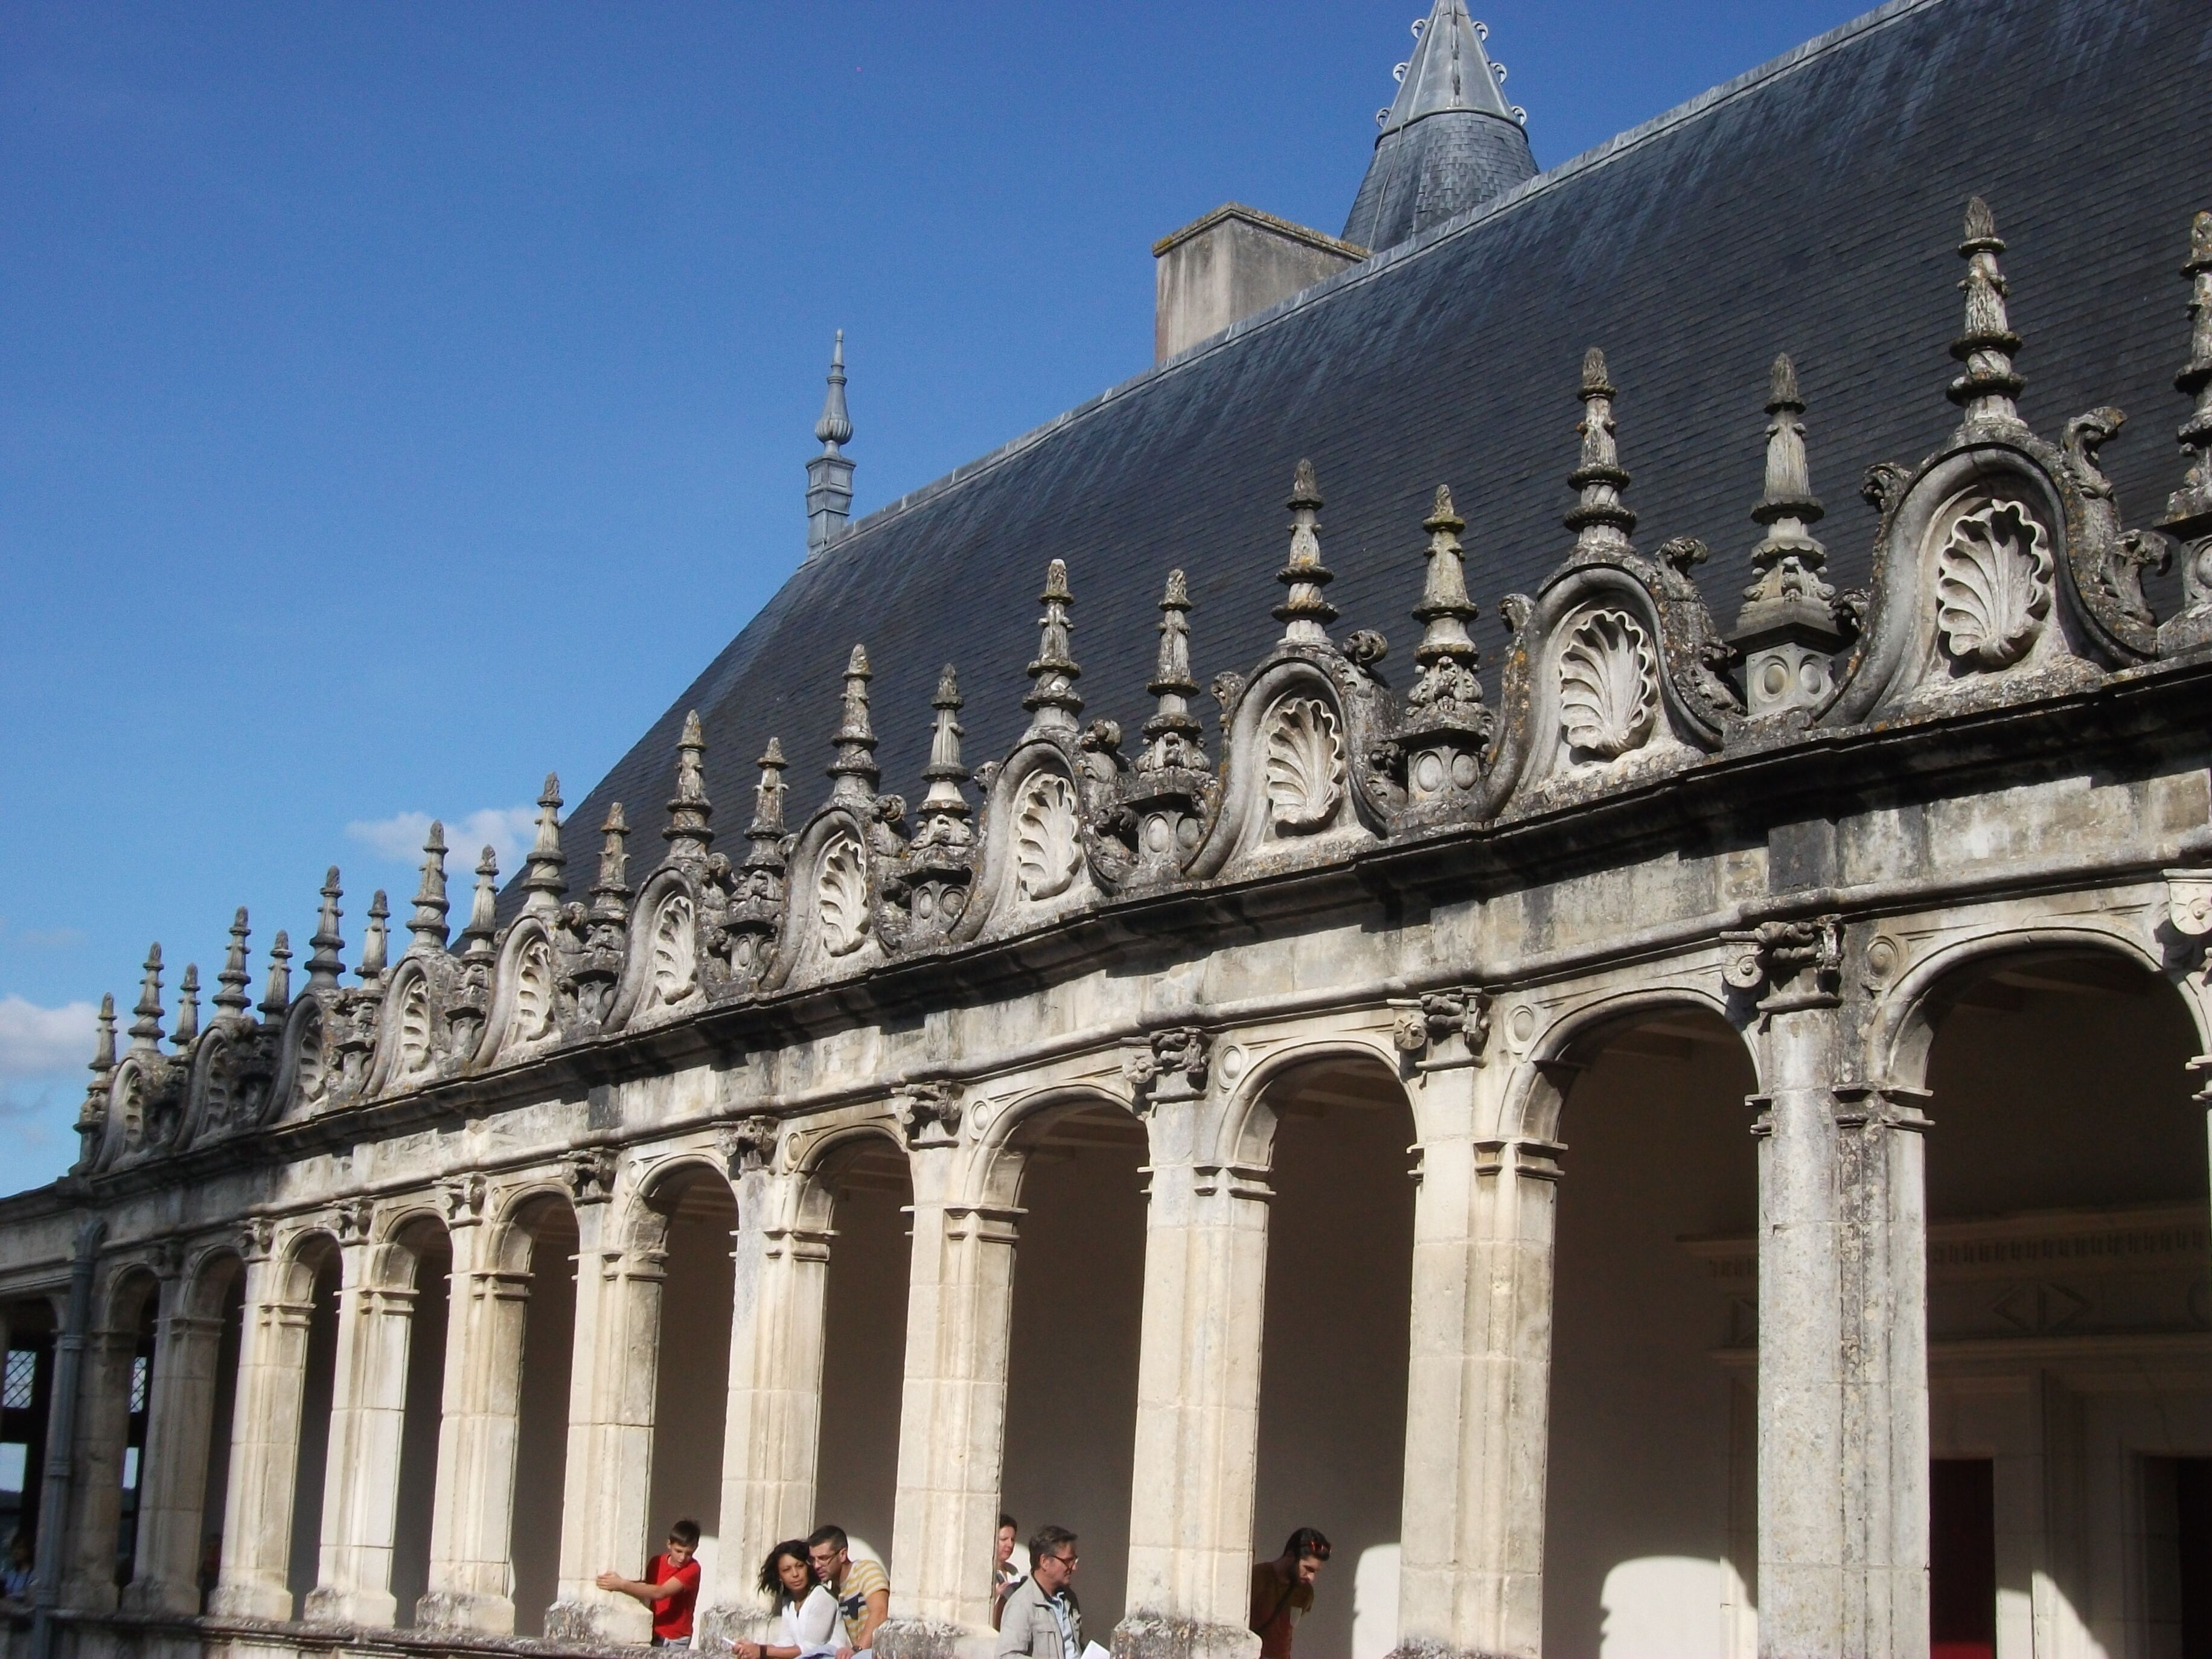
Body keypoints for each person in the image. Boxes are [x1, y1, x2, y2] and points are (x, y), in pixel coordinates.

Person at [598, 1518, 704, 1648]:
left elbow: (661, 1592)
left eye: (689, 1553)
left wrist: (621, 1584)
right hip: (652, 1632)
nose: (682, 1558)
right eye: (678, 1551)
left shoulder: (693, 1569)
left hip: (676, 1639)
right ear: (669, 1544)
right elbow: (644, 1588)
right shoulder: (656, 1562)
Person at [730, 1539, 838, 1659]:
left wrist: (762, 1651)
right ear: (779, 1576)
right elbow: (787, 1642)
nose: (795, 1574)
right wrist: (753, 1649)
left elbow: (811, 1648)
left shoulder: (822, 1597)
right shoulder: (789, 1601)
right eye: (787, 1570)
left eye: (800, 1566)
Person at [995, 1526, 1081, 1659]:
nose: (1074, 1567)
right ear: (1045, 1562)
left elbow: (1072, 1646)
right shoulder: (1022, 1604)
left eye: (1074, 1560)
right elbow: (1006, 1656)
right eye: (1068, 1561)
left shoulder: (1069, 1598)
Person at [806, 1525, 887, 1659]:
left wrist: (857, 1648)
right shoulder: (834, 1589)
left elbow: (880, 1612)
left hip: (876, 1652)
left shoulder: (867, 1570)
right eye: (813, 1560)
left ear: (842, 1555)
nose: (817, 1566)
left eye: (823, 1558)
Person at [1247, 1527, 1330, 1659]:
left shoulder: (1306, 1592)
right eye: (1308, 1569)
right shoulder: (1257, 1577)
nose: (1311, 1577)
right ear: (1291, 1556)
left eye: (1315, 1571)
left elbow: (1285, 1632)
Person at [991, 1513, 1021, 1631]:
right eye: (1004, 1539)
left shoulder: (1013, 1571)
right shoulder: (984, 1572)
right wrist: (997, 1595)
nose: (1010, 1545)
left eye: (1012, 1540)